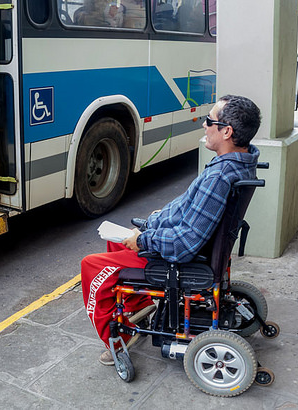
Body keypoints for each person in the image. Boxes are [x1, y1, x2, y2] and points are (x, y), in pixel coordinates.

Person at [81, 95, 262, 365]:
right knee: (116, 242)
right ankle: (139, 307)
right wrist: (152, 222)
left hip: (185, 259)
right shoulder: (240, 162)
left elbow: (185, 242)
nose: (204, 125)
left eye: (209, 120)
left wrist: (144, 240)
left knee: (91, 266)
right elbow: (187, 209)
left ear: (227, 131)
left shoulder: (219, 177)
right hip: (199, 246)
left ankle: (116, 338)